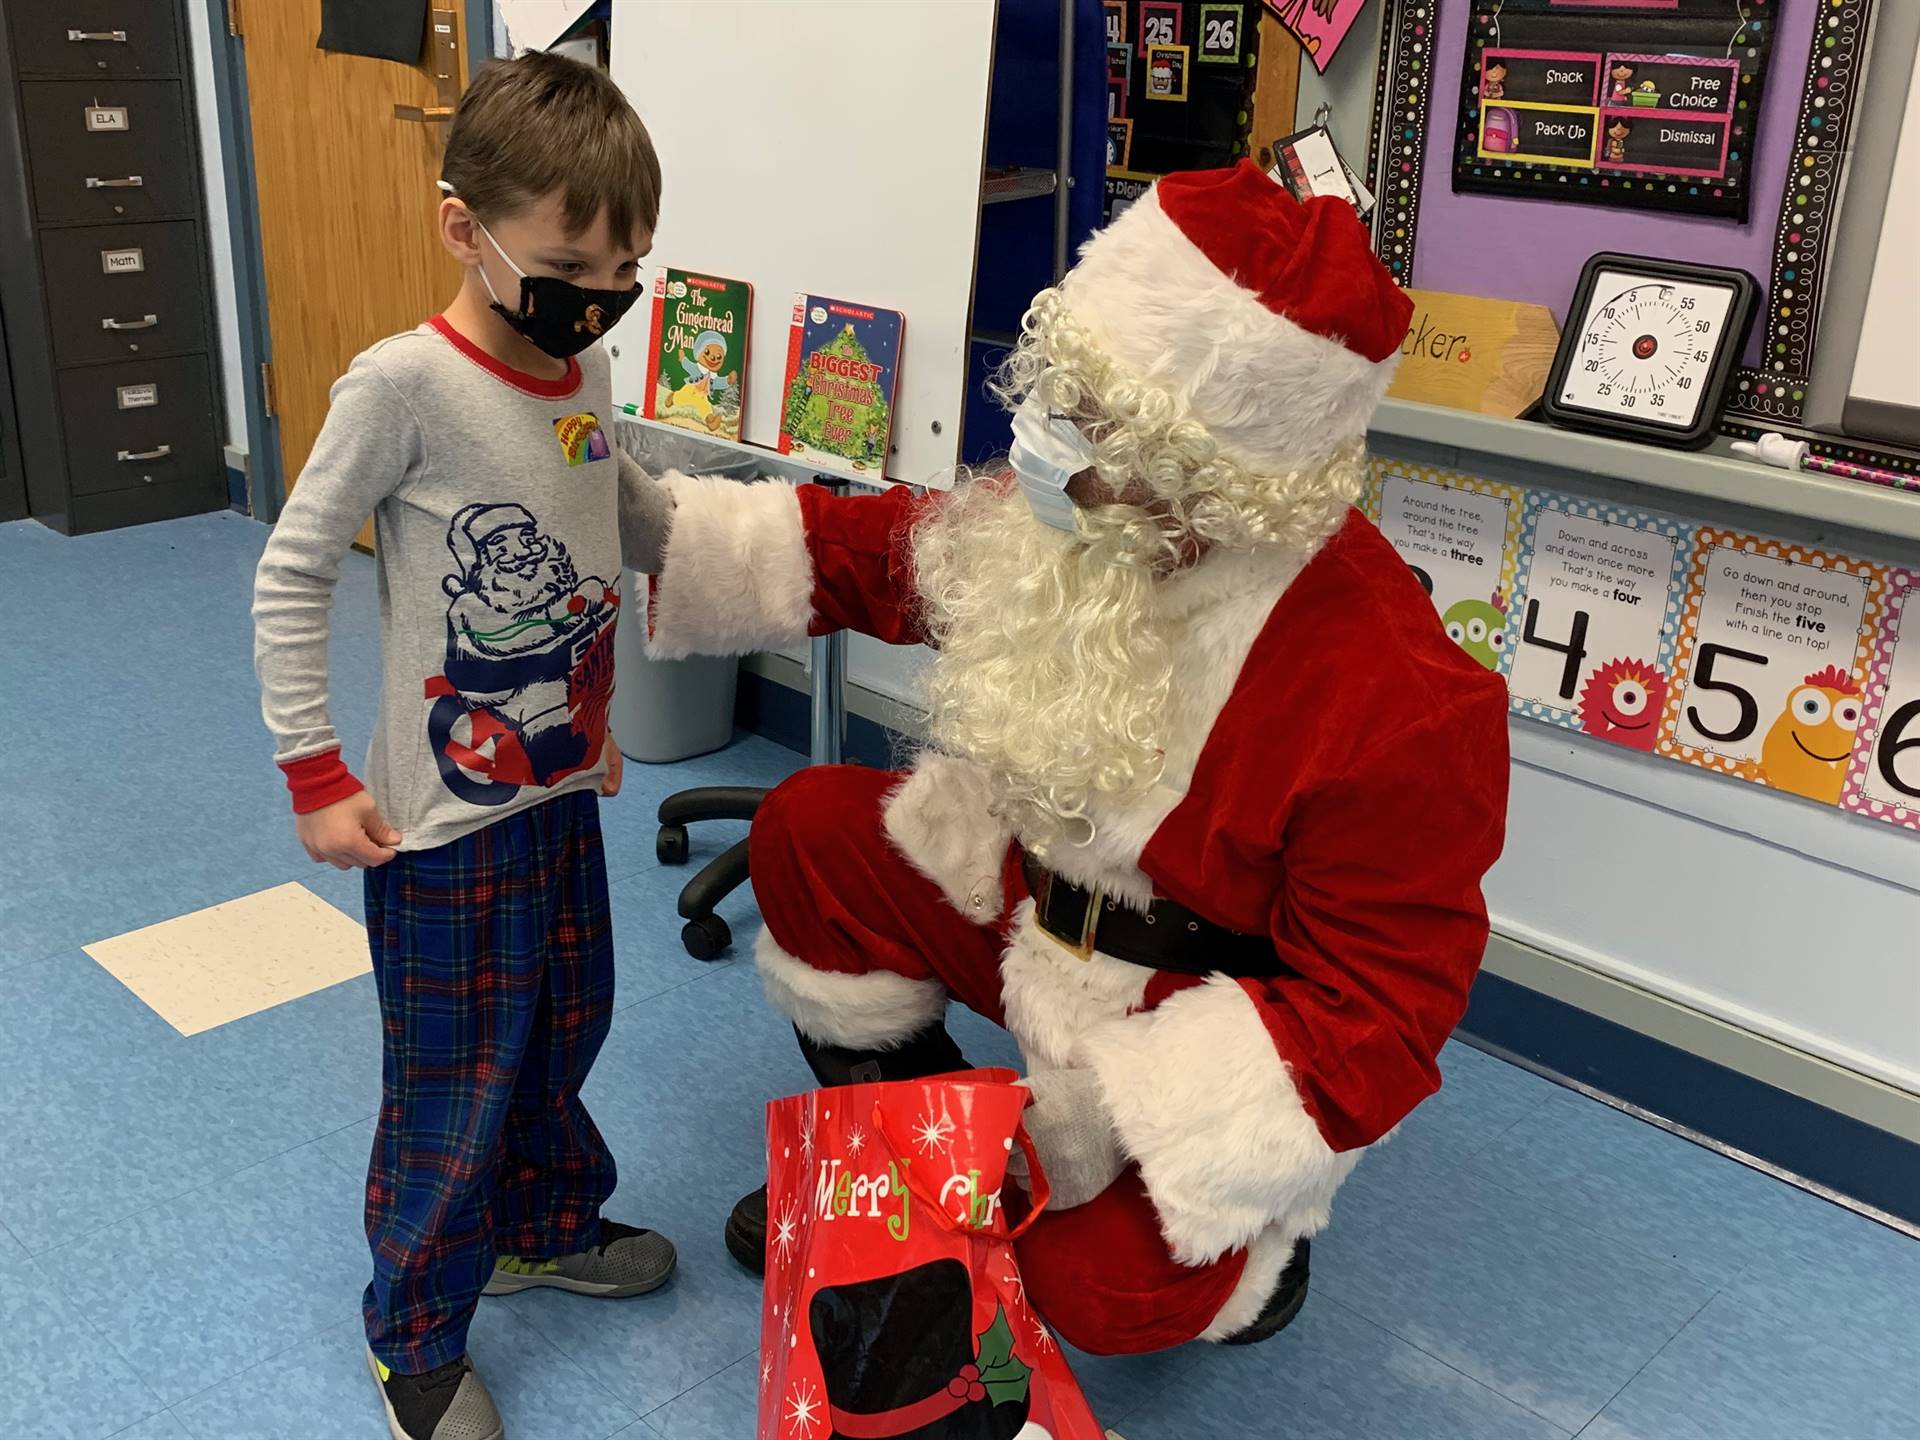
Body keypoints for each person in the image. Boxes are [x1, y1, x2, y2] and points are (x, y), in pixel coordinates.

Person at [645, 162, 1510, 1354]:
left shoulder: (1395, 698)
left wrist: (1086, 1123)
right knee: (810, 833)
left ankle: (1256, 1253)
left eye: (1091, 422)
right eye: (1062, 393)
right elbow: (881, 551)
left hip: (1187, 998)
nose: (1042, 442)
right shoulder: (1096, 506)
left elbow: (1375, 1010)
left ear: (1212, 478)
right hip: (1022, 896)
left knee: (1098, 1291)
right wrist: (638, 530)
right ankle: (910, 1154)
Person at [251, 52, 678, 1440]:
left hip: (560, 795)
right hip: (438, 826)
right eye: (569, 262)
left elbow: (603, 499)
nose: (598, 294)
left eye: (626, 267)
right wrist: (316, 773)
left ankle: (542, 1225)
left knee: (567, 1025)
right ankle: (415, 1328)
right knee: (454, 1078)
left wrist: (729, 567)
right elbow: (293, 571)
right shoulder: (400, 389)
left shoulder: (583, 361)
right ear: (463, 229)